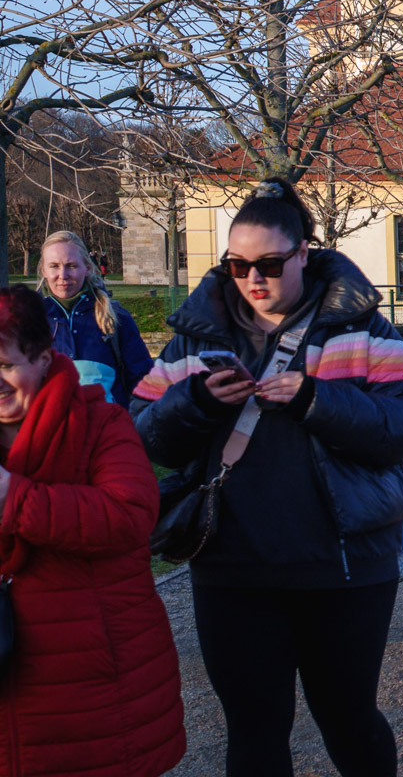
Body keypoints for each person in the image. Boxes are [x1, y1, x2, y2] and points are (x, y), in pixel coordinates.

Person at [134, 178, 403, 776]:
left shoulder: (360, 329)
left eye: (270, 263)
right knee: (253, 729)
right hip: (232, 568)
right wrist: (192, 401)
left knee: (348, 720)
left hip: (345, 568)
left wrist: (317, 401)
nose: (253, 279)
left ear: (303, 253)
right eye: (238, 265)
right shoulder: (196, 337)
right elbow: (139, 436)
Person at [0, 285, 185, 777]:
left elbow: (129, 515)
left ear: (44, 358)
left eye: (5, 365)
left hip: (91, 685)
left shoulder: (100, 423)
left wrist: (12, 497)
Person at [38, 228, 151, 406]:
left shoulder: (116, 317)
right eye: (54, 266)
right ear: (44, 270)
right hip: (49, 430)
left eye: (71, 266)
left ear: (87, 268)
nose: (63, 275)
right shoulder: (30, 320)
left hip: (107, 429)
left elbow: (142, 382)